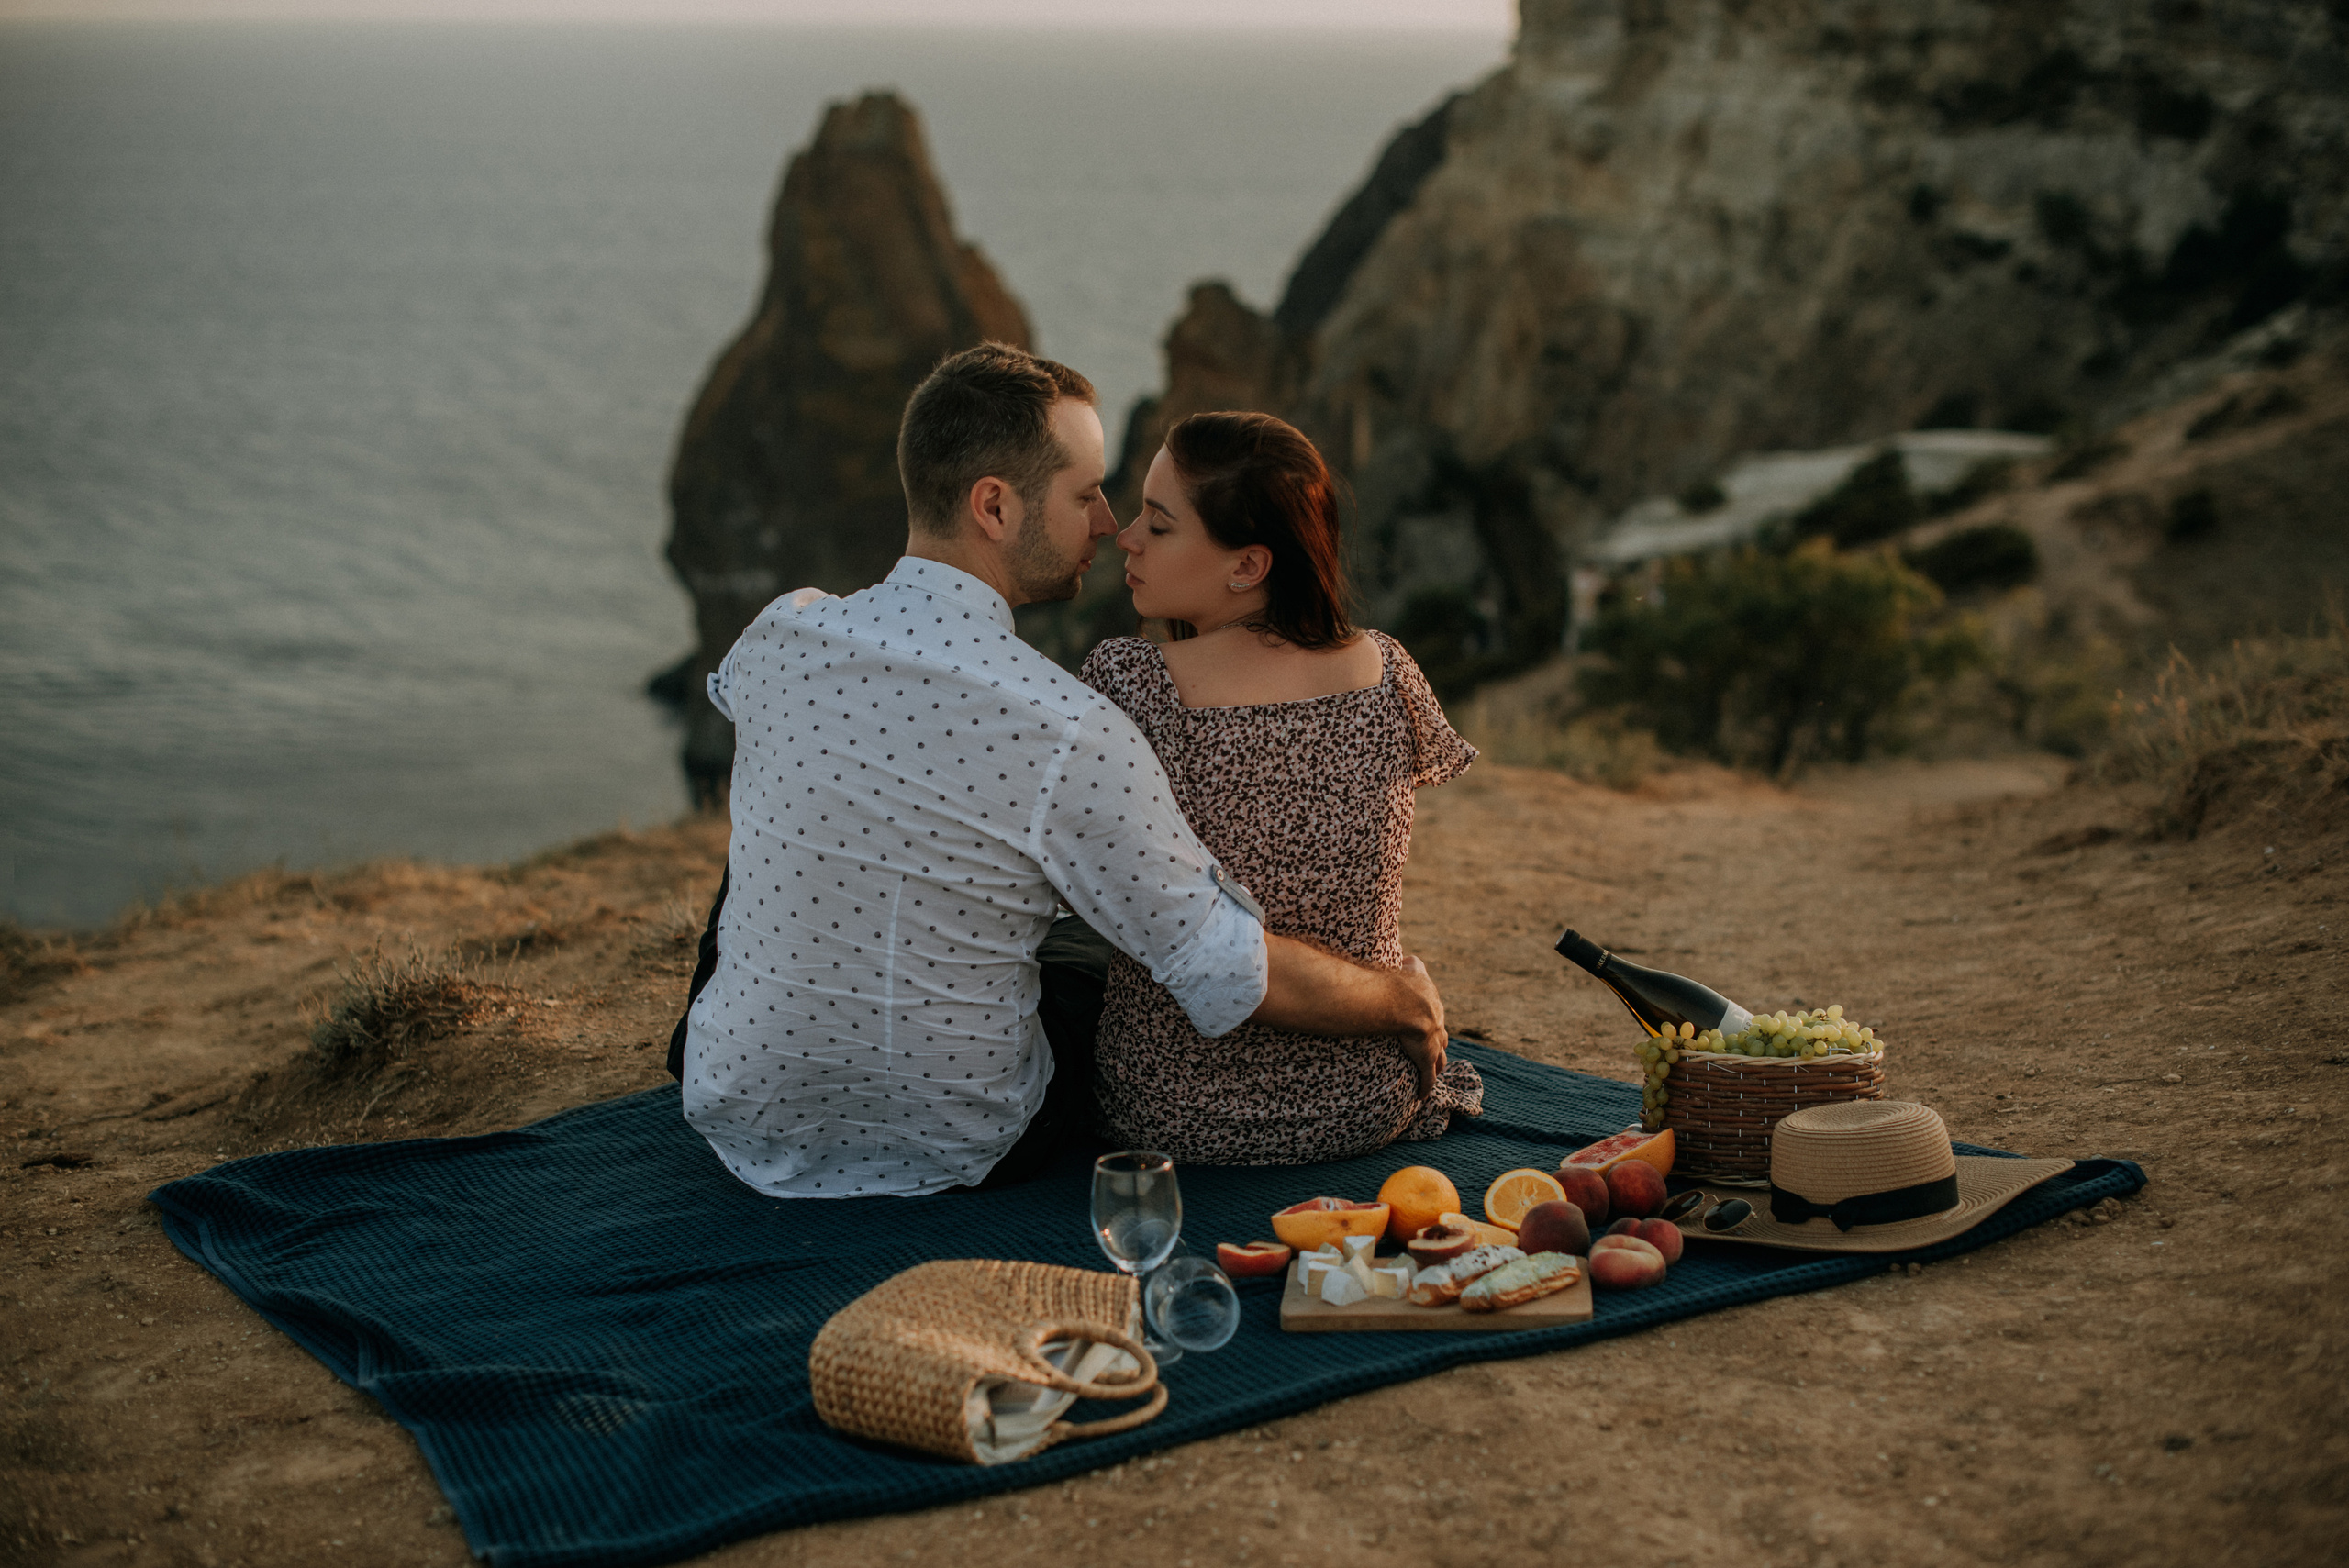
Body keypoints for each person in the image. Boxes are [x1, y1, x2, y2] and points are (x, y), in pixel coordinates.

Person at [674, 343, 1450, 1197]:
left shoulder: (783, 634)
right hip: (962, 1142)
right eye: (1086, 494)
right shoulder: (1070, 726)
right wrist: (1400, 1001)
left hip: (735, 1112)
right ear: (995, 507)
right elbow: (1226, 967)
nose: (1109, 524)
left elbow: (740, 699)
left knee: (802, 790)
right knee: (1093, 943)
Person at [1078, 411, 1484, 1164]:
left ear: (1248, 566)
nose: (1125, 537)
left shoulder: (1132, 685)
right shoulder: (1391, 675)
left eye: (1159, 526)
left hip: (1175, 1118)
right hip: (1370, 1101)